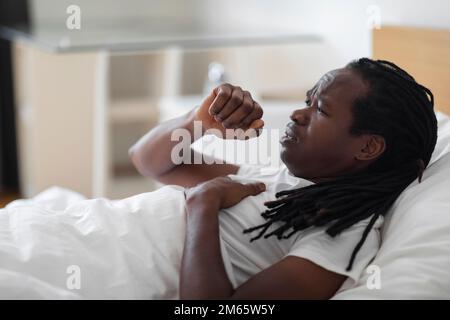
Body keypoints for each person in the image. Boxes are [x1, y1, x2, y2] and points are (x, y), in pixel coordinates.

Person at [129, 58, 438, 299]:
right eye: (307, 101)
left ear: (368, 146)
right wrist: (197, 121)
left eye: (320, 109)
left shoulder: (339, 234)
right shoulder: (278, 182)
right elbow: (146, 160)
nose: (297, 114)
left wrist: (203, 205)